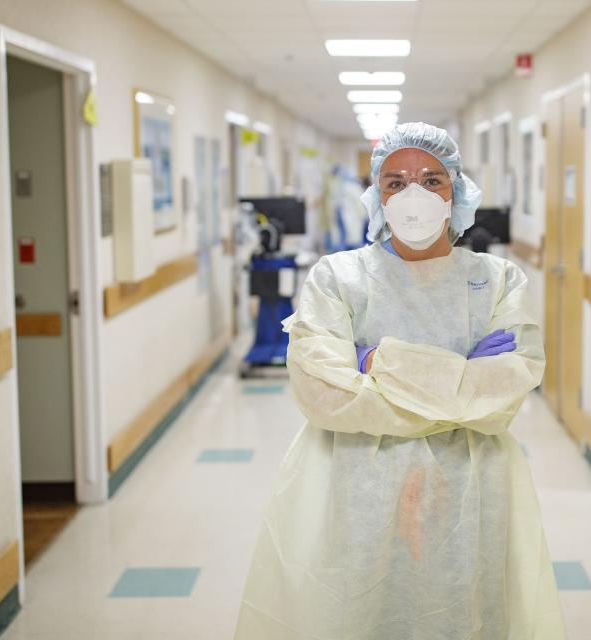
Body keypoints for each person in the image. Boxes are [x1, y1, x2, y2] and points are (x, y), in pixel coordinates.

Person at [234, 122, 566, 639]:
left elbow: (502, 399)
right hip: (357, 484)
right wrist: (461, 378)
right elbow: (324, 397)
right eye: (396, 182)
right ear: (376, 196)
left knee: (467, 614)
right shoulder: (337, 278)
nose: (414, 195)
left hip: (473, 488)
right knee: (361, 615)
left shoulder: (499, 281)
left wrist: (375, 366)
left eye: (432, 180)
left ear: (456, 191)